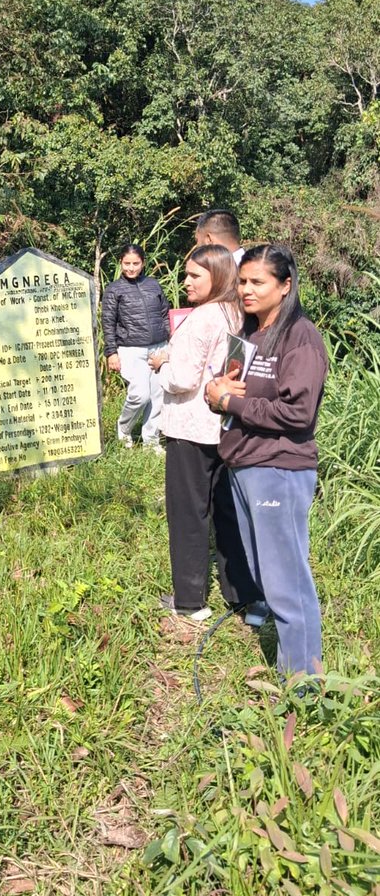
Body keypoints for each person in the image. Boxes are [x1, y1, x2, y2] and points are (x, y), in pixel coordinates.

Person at [205, 245, 328, 676]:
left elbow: (298, 413)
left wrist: (230, 403)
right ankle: (295, 670)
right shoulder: (250, 334)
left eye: (258, 282)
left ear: (286, 285)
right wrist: (214, 394)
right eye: (242, 281)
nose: (247, 290)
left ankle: (303, 683)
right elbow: (228, 392)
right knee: (264, 571)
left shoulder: (300, 337)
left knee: (286, 580)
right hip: (243, 463)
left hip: (278, 467)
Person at [149, 246, 261, 621]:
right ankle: (244, 597)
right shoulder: (238, 312)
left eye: (195, 275)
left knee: (188, 514)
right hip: (225, 427)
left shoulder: (201, 317)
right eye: (187, 275)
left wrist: (161, 365)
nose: (186, 282)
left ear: (218, 275)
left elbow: (182, 379)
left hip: (191, 428)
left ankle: (190, 601)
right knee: (227, 514)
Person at [101, 244, 169, 452]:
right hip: (130, 349)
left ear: (143, 263)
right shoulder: (114, 289)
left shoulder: (153, 284)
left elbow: (165, 314)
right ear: (120, 263)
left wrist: (169, 340)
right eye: (127, 263)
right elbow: (108, 322)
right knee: (140, 395)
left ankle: (151, 441)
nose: (131, 268)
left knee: (158, 397)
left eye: (135, 263)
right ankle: (124, 429)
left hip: (159, 347)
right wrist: (111, 353)